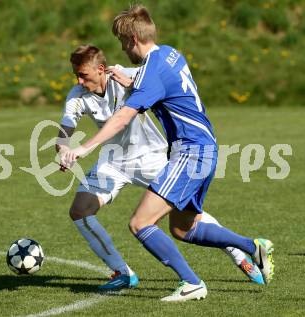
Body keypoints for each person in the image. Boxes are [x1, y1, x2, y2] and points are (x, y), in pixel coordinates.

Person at [60, 5, 274, 302]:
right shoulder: (171, 54)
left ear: (134, 38)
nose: (122, 51)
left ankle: (193, 282)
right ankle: (252, 246)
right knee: (183, 229)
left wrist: (83, 148)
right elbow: (164, 87)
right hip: (197, 148)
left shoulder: (148, 70)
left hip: (189, 151)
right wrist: (135, 83)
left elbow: (123, 117)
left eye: (123, 43)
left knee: (141, 223)